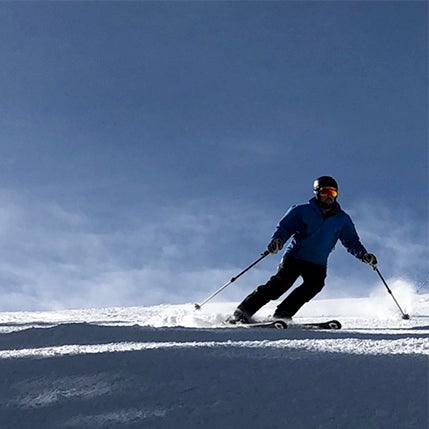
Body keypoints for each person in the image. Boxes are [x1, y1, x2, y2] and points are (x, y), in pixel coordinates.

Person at [228, 176, 377, 324]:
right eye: (325, 192)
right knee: (280, 285)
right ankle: (243, 312)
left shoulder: (342, 219)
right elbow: (285, 228)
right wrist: (277, 241)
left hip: (318, 262)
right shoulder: (302, 211)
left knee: (315, 285)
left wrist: (363, 254)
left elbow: (351, 241)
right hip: (295, 257)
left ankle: (283, 313)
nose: (329, 197)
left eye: (333, 193)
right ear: (317, 193)